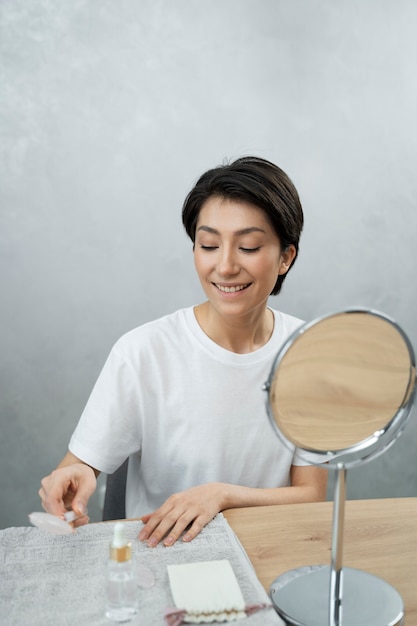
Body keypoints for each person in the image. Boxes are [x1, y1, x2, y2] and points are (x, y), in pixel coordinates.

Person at [39, 156, 327, 546]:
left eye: (248, 246)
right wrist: (73, 480)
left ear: (285, 258)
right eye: (208, 244)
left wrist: (221, 495)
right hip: (163, 557)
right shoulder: (142, 352)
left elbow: (311, 495)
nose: (224, 266)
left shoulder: (308, 352)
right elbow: (80, 467)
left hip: (269, 551)